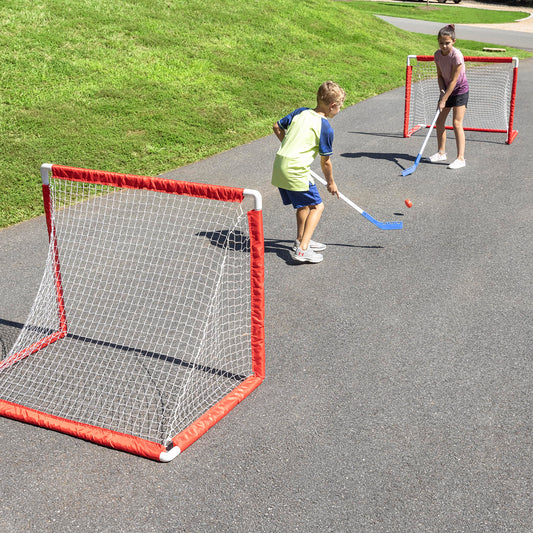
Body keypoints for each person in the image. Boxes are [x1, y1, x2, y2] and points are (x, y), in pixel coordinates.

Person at [271, 81, 345, 263]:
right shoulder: (325, 126)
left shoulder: (301, 112)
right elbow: (325, 161)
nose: (339, 110)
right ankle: (303, 250)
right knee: (317, 206)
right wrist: (331, 183)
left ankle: (300, 240)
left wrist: (289, 146)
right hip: (296, 170)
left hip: (280, 165)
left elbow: (276, 127)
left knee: (303, 205)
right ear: (332, 106)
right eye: (340, 106)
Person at [429, 24, 469, 170]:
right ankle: (441, 152)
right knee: (439, 122)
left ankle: (460, 158)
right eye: (441, 43)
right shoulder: (437, 55)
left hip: (459, 90)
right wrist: (441, 91)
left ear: (453, 41)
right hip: (446, 89)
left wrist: (444, 99)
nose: (444, 46)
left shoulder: (456, 56)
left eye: (447, 43)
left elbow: (454, 80)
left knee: (456, 123)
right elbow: (439, 75)